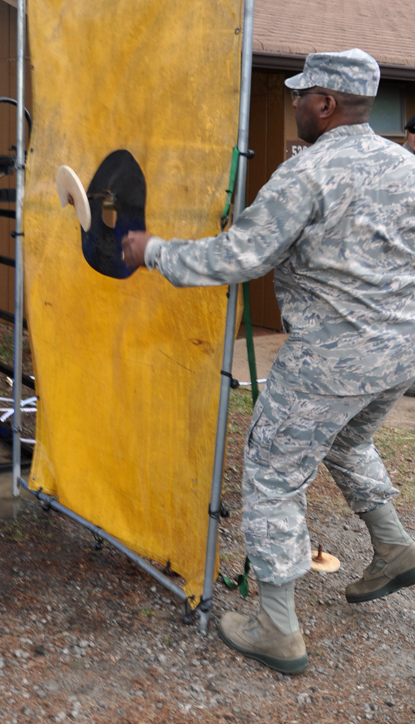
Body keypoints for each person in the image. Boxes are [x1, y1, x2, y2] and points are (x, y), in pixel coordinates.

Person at [122, 48, 415, 676]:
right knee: (345, 440)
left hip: (331, 359)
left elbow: (240, 258)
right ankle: (393, 546)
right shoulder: (405, 165)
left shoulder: (306, 173)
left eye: (299, 96)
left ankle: (277, 629)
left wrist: (155, 251)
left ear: (326, 104)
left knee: (272, 472)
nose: (294, 105)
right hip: (400, 352)